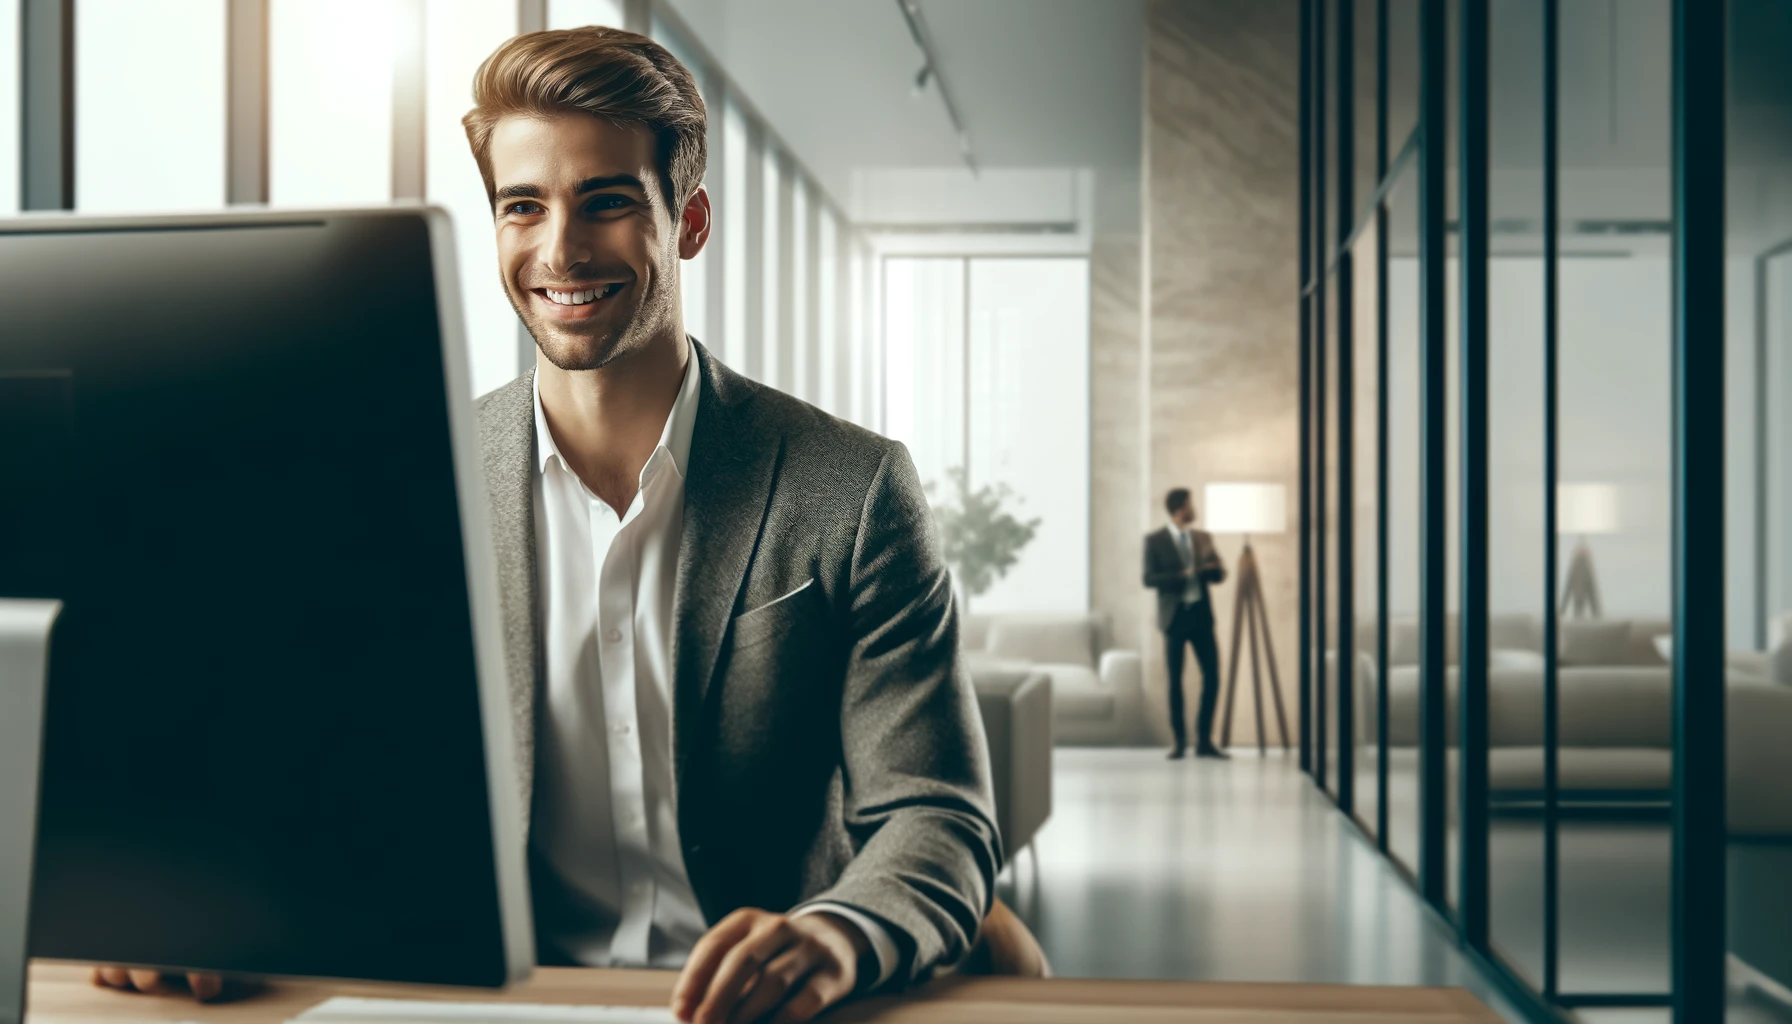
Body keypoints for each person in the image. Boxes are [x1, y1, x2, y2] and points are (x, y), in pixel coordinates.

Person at [92, 26, 1019, 1024]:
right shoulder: (408, 477)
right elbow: (303, 775)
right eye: (522, 207)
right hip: (500, 1000)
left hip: (758, 1011)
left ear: (689, 220)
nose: (560, 249)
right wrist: (205, 904)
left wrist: (836, 934)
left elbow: (935, 813)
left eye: (607, 201)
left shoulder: (852, 486)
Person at [1142, 488, 1228, 760]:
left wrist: (1211, 570)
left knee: (1212, 676)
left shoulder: (1203, 538)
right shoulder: (1155, 540)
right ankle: (1179, 742)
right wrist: (1183, 575)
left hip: (1201, 615)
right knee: (1175, 681)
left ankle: (1204, 741)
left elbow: (1218, 573)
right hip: (1174, 618)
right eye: (1191, 505)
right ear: (1179, 509)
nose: (1194, 509)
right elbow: (1149, 579)